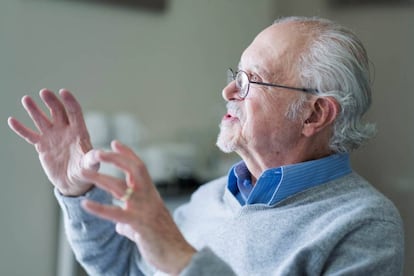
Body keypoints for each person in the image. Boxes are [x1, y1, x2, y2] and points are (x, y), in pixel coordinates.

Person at [8, 16, 404, 275]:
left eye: (252, 81)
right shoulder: (211, 197)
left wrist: (181, 257)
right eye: (237, 74)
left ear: (314, 115)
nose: (228, 90)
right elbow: (126, 268)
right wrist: (75, 190)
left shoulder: (363, 224)